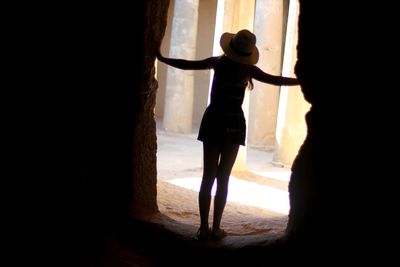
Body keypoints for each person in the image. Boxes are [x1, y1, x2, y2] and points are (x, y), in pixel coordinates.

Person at [157, 29, 299, 241]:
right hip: (234, 122)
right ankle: (216, 228)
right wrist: (301, 81)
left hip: (213, 119)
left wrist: (162, 58)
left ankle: (203, 228)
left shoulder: (218, 63)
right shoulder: (248, 70)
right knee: (223, 178)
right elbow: (276, 80)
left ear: (231, 47)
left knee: (208, 177)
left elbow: (188, 64)